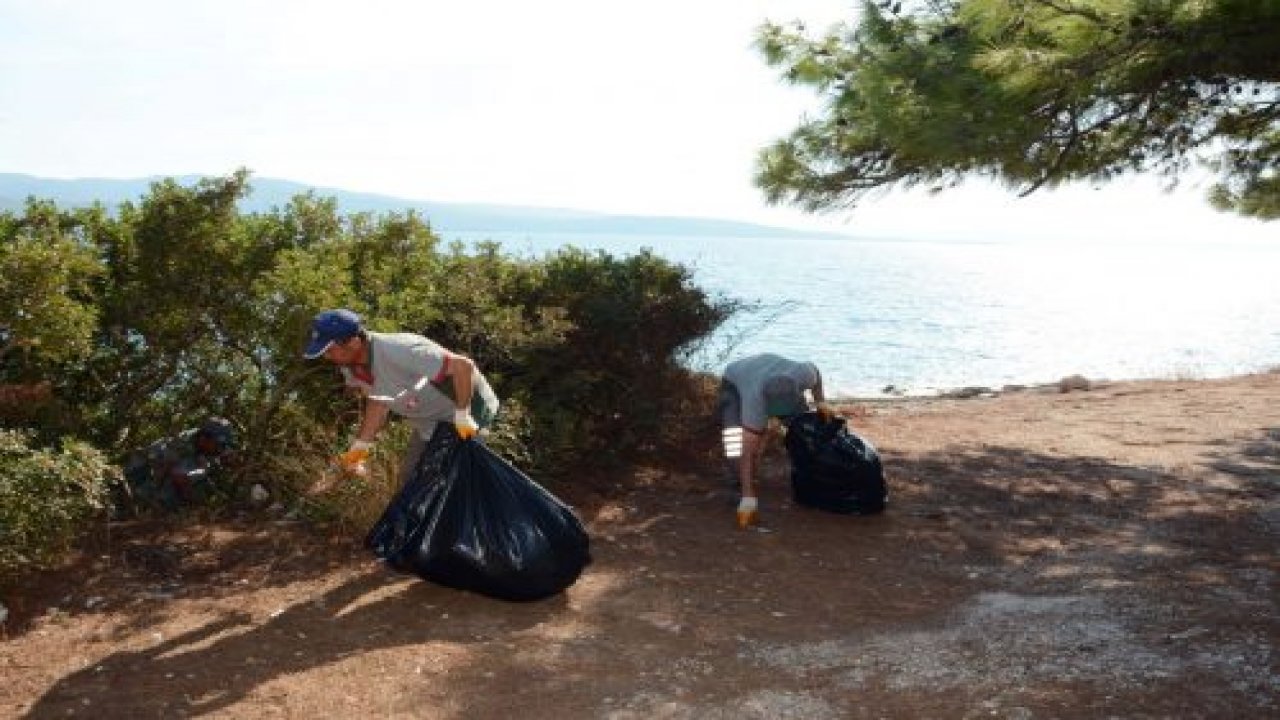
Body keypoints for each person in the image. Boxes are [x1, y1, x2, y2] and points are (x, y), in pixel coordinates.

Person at [302, 308, 500, 487]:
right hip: (429, 423)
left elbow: (463, 367)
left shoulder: (400, 349)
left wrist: (462, 413)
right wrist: (358, 452)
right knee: (410, 480)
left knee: (463, 483)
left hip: (469, 412)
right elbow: (377, 404)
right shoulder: (350, 368)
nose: (327, 357)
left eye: (329, 350)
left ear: (353, 342)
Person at [718, 353, 831, 529]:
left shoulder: (803, 374)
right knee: (735, 443)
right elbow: (747, 452)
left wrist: (820, 402)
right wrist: (749, 497)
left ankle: (810, 476)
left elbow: (816, 371)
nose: (777, 417)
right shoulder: (753, 399)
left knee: (802, 427)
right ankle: (739, 485)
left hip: (769, 376)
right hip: (734, 382)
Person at [119, 416, 237, 514]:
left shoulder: (202, 440)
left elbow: (219, 454)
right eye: (219, 444)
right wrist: (202, 507)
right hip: (139, 482)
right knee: (195, 480)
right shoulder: (181, 447)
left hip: (163, 477)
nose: (221, 448)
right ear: (204, 439)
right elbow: (180, 480)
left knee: (204, 473)